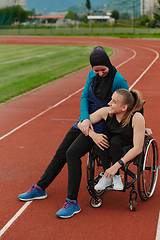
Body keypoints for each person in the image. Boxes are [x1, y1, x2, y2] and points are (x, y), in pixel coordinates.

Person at [18, 46, 129, 218]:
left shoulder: (118, 80)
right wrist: (84, 119)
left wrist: (139, 124)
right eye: (96, 70)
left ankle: (72, 202)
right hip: (86, 121)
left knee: (72, 154)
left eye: (103, 70)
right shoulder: (91, 75)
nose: (100, 73)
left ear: (109, 64)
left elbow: (127, 105)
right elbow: (85, 96)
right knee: (61, 153)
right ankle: (40, 188)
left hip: (102, 127)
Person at [78, 89, 145, 191]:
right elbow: (80, 123)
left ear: (124, 107)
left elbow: (137, 148)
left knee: (115, 140)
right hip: (112, 143)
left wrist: (116, 166)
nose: (109, 103)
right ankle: (107, 176)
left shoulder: (136, 117)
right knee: (102, 139)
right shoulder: (106, 112)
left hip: (128, 144)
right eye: (111, 100)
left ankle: (116, 176)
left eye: (114, 101)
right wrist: (94, 135)